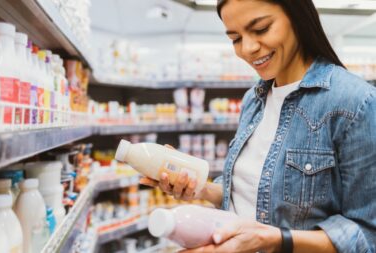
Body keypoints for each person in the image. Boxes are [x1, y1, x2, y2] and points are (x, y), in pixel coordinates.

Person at [140, 0, 376, 252]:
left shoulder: (355, 102)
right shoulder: (253, 101)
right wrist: (201, 188)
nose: (248, 48)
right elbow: (255, 193)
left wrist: (274, 239)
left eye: (261, 29)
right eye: (235, 38)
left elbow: (367, 234)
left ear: (297, 16)